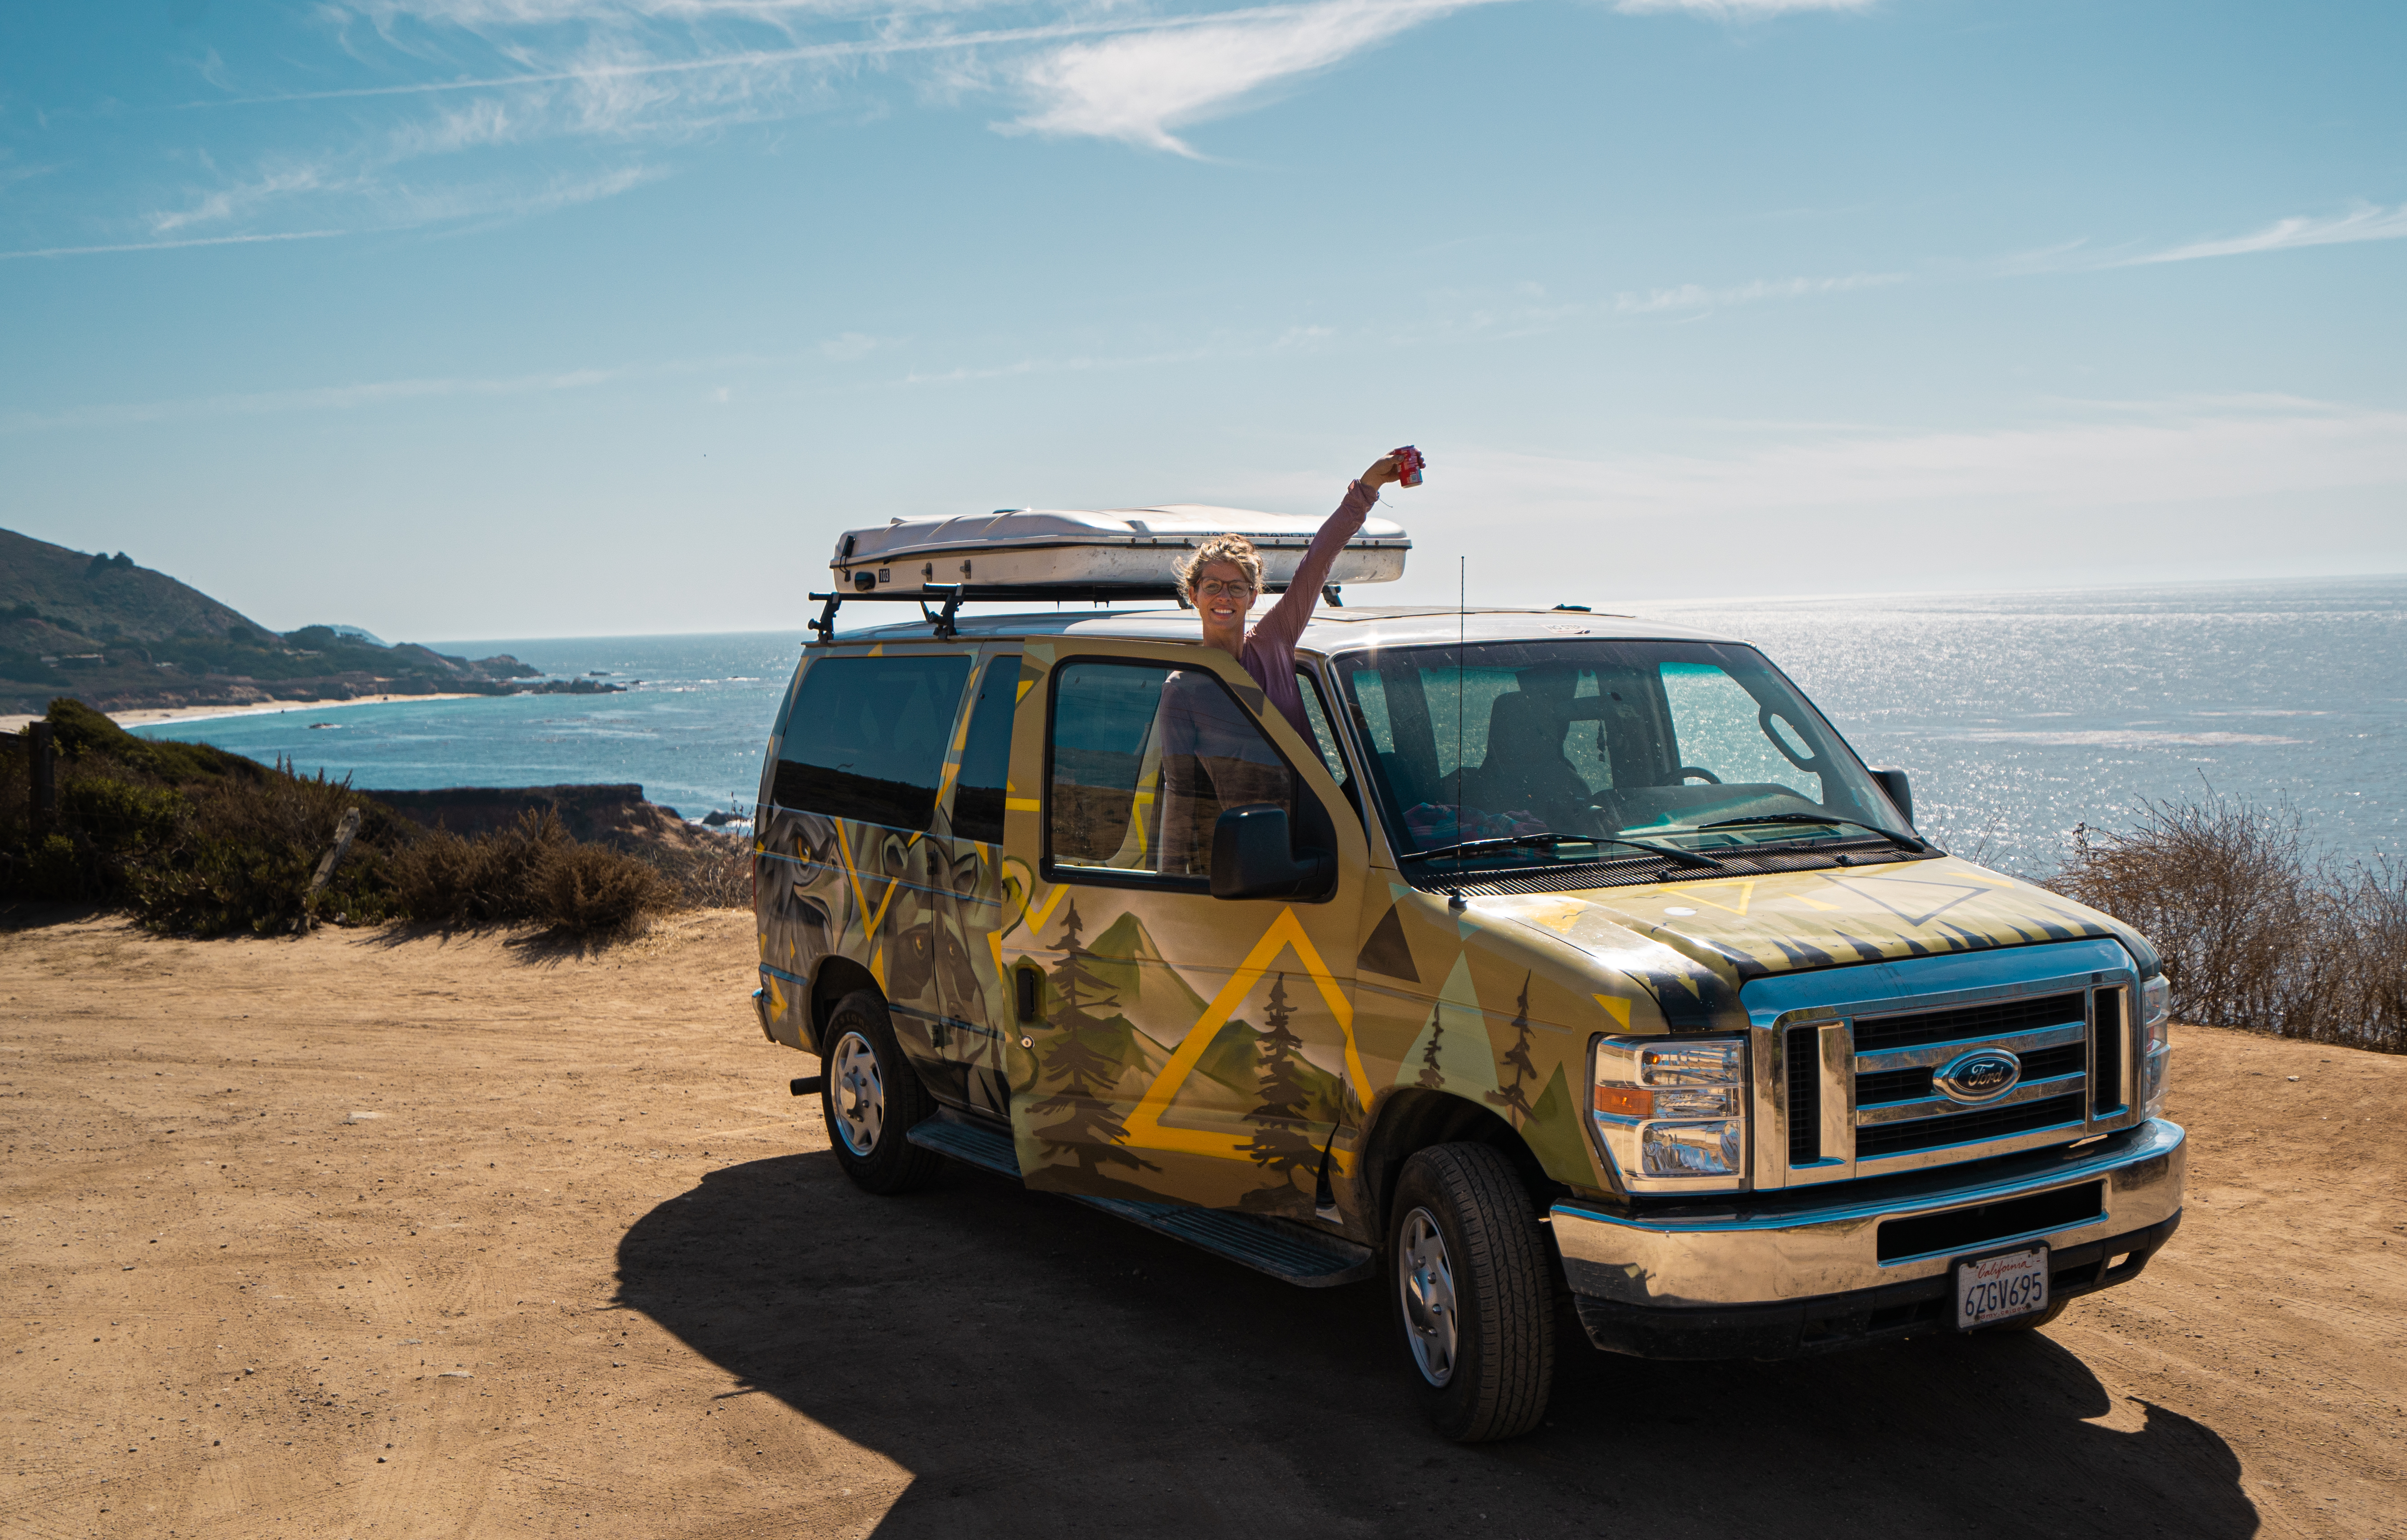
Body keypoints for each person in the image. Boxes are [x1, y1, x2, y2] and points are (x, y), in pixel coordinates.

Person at [1154, 450, 1416, 873]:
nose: (1225, 597)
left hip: (1327, 839)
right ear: (1194, 594)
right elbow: (1181, 797)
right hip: (1257, 856)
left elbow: (1319, 561)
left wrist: (1367, 489)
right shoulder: (1183, 687)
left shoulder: (1274, 641)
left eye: (1237, 588)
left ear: (1254, 596)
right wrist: (1171, 884)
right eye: (1213, 586)